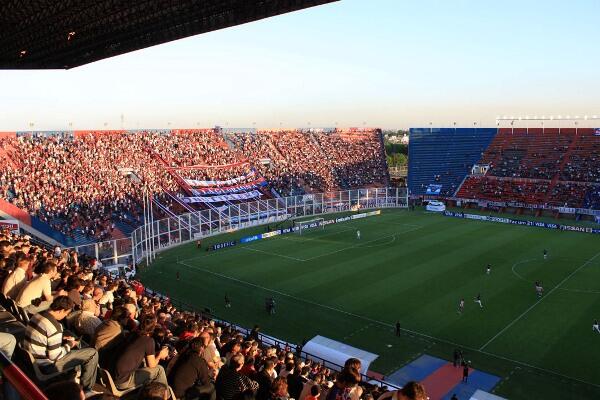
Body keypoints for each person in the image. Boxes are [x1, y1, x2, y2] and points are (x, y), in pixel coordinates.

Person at [23, 296, 99, 393]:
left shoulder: (38, 315)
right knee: (92, 353)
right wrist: (69, 345)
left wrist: (60, 339)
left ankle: (75, 379)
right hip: (46, 366)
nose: (65, 316)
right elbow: (54, 356)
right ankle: (86, 390)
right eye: (66, 313)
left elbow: (43, 336)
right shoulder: (55, 327)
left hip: (32, 359)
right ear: (61, 310)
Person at [113, 314, 170, 391]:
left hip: (113, 376)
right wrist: (160, 355)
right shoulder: (149, 341)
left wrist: (156, 353)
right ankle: (165, 395)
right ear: (154, 327)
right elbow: (152, 365)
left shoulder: (132, 334)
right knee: (159, 369)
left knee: (144, 363)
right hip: (123, 381)